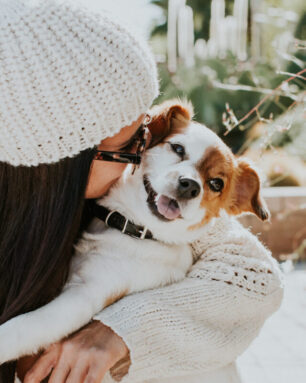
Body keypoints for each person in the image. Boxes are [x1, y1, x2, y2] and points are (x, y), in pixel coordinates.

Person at [0, 1, 283, 383]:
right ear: (61, 161)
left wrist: (123, 330)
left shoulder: (159, 212)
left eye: (149, 135)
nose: (140, 158)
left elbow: (257, 279)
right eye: (132, 146)